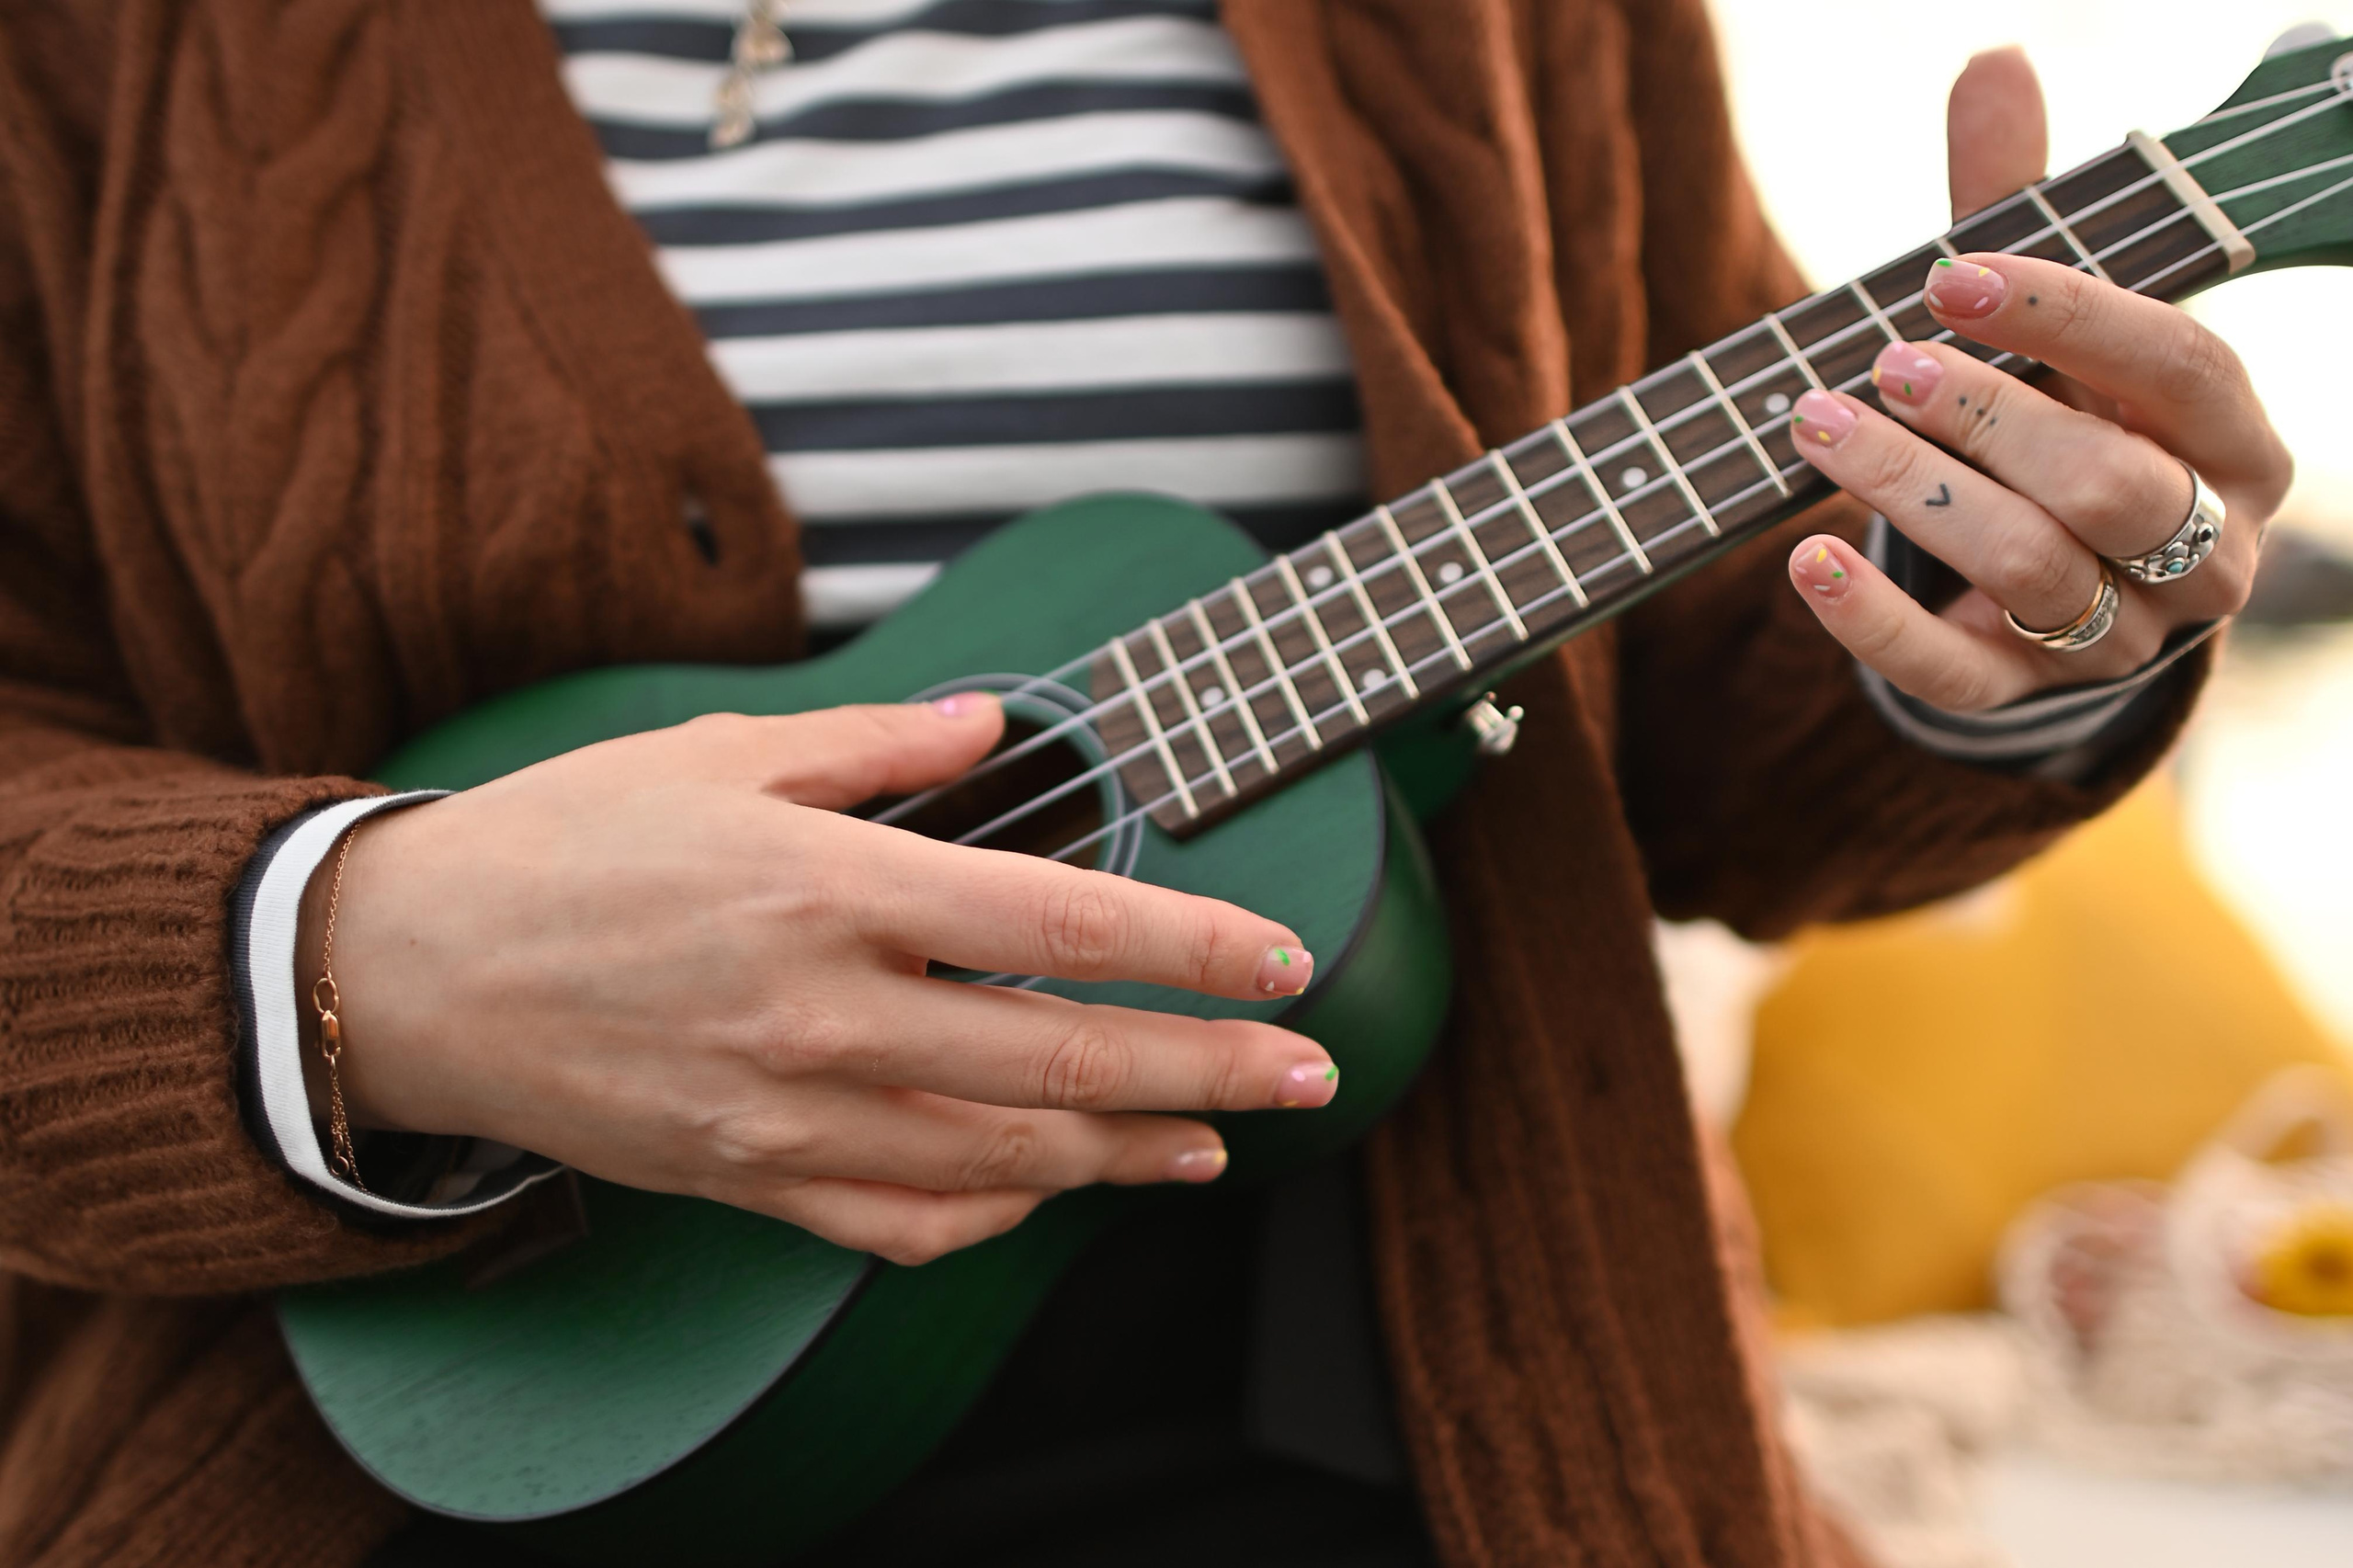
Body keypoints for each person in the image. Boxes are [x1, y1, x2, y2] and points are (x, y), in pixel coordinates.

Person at [0, 3, 2285, 1566]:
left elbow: (1683, 749)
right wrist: (342, 953)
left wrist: (1996, 633)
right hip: (408, 1451)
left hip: (1441, 1440)